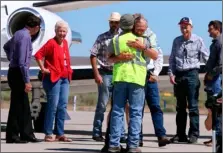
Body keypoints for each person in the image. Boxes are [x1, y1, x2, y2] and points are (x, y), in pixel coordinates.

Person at [107, 14, 158, 153]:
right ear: (133, 25)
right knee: (135, 113)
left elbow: (109, 58)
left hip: (120, 78)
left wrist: (119, 57)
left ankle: (114, 144)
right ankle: (133, 145)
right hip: (136, 79)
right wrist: (143, 48)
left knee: (117, 112)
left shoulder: (115, 40)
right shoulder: (143, 39)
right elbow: (155, 55)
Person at [168, 17, 209, 144]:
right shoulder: (176, 41)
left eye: (186, 26)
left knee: (192, 106)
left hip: (192, 74)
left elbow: (206, 57)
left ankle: (194, 134)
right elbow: (172, 59)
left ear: (191, 27)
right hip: (179, 75)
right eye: (181, 26)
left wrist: (211, 72)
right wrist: (171, 74)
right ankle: (180, 134)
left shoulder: (198, 40)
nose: (184, 28)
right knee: (180, 107)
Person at [131, 14, 170, 147]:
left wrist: (156, 73)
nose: (141, 31)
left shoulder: (151, 35)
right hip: (136, 75)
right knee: (137, 108)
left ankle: (161, 136)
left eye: (143, 28)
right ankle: (138, 137)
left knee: (155, 106)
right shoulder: (129, 35)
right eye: (139, 29)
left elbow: (157, 55)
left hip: (149, 74)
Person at [3, 15, 41, 143]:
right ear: (36, 27)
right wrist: (27, 81)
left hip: (13, 71)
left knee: (23, 105)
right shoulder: (25, 37)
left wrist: (10, 57)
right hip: (19, 73)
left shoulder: (19, 33)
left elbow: (6, 46)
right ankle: (13, 135)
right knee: (17, 105)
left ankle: (26, 134)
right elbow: (22, 63)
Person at [90, 12, 126, 142]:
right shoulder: (102, 37)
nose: (114, 24)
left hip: (120, 73)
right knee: (102, 104)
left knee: (119, 105)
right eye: (112, 22)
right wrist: (96, 73)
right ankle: (96, 131)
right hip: (105, 73)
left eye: (116, 22)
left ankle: (120, 133)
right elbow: (93, 54)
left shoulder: (124, 37)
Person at [34, 21, 73, 142]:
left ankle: (60, 133)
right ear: (56, 31)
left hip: (65, 77)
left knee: (63, 105)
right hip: (53, 78)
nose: (62, 33)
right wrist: (43, 68)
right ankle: (48, 133)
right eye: (60, 31)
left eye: (64, 31)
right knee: (53, 105)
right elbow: (38, 55)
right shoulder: (51, 43)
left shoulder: (65, 42)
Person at [203, 20, 222, 147]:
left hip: (217, 79)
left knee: (217, 108)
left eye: (210, 29)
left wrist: (211, 74)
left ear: (217, 29)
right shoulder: (215, 43)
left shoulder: (220, 43)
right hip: (212, 79)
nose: (208, 31)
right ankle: (215, 136)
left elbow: (221, 65)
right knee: (213, 109)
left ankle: (219, 137)